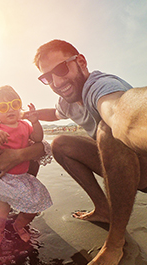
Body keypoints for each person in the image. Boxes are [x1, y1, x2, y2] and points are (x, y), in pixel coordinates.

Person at [24, 39, 147, 265]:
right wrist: (29, 116)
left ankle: (115, 243)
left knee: (107, 129)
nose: (57, 82)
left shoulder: (99, 85)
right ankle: (103, 209)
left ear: (80, 61)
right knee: (60, 144)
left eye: (61, 69)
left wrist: (129, 121)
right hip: (126, 169)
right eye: (47, 77)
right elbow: (55, 112)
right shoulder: (68, 100)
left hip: (143, 165)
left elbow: (117, 108)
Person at [0, 85, 52, 247]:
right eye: (3, 107)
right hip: (2, 178)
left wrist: (35, 122)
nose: (10, 109)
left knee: (34, 206)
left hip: (21, 177)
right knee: (1, 212)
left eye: (15, 103)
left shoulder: (25, 125)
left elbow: (38, 138)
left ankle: (18, 225)